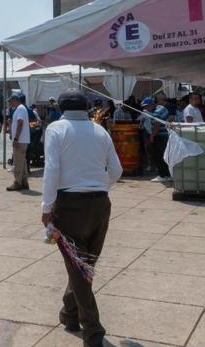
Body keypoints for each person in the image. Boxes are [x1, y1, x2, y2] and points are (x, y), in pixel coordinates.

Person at [40, 89, 122, 347]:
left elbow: (52, 169)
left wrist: (46, 207)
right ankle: (69, 313)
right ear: (86, 107)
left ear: (61, 108)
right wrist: (96, 184)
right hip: (100, 205)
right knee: (83, 267)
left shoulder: (56, 129)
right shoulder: (100, 131)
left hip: (70, 206)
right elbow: (117, 171)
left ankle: (93, 332)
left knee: (80, 269)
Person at [6, 91, 31, 191]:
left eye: (10, 101)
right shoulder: (21, 109)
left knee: (18, 162)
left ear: (15, 100)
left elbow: (20, 124)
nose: (9, 103)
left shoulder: (20, 109)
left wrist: (16, 138)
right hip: (23, 139)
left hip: (20, 140)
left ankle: (17, 182)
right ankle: (24, 182)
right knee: (22, 162)